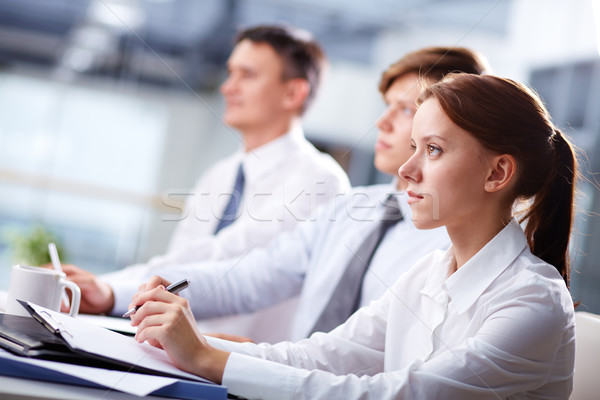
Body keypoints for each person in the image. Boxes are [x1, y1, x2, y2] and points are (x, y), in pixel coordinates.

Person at [130, 73, 578, 399]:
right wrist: (192, 343)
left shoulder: (532, 301)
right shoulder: (428, 272)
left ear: (497, 172)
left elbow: (399, 395)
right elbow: (322, 357)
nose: (406, 170)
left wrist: (207, 358)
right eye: (414, 147)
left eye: (434, 150)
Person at [118, 47, 489, 344]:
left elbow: (391, 359)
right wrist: (153, 287)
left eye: (407, 109)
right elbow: (255, 275)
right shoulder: (350, 209)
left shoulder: (455, 243)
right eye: (386, 105)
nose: (382, 121)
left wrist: (258, 358)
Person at [62, 25, 350, 315]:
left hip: (241, 355)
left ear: (293, 93)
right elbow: (180, 260)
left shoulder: (319, 180)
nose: (228, 87)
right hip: (173, 347)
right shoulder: (220, 174)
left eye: (247, 75)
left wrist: (110, 291)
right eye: (231, 72)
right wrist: (101, 287)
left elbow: (226, 258)